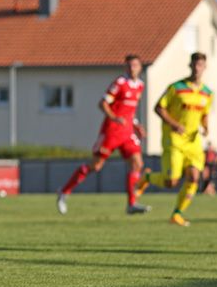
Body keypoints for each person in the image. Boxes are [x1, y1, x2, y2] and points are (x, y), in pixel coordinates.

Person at [56, 55, 149, 215]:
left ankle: (132, 204)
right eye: (129, 65)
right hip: (112, 130)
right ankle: (64, 191)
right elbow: (103, 103)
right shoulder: (120, 83)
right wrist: (114, 117)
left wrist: (136, 125)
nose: (132, 68)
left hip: (127, 132)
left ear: (140, 67)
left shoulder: (140, 85)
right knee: (96, 165)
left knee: (137, 163)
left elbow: (130, 110)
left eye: (135, 65)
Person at [135, 52, 212, 226]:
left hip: (193, 142)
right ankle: (147, 178)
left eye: (200, 65)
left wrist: (206, 127)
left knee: (194, 177)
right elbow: (158, 108)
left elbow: (204, 114)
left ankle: (177, 214)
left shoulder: (207, 93)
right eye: (195, 65)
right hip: (174, 140)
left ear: (205, 67)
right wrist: (174, 124)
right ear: (190, 65)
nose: (197, 68)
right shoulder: (176, 88)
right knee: (171, 182)